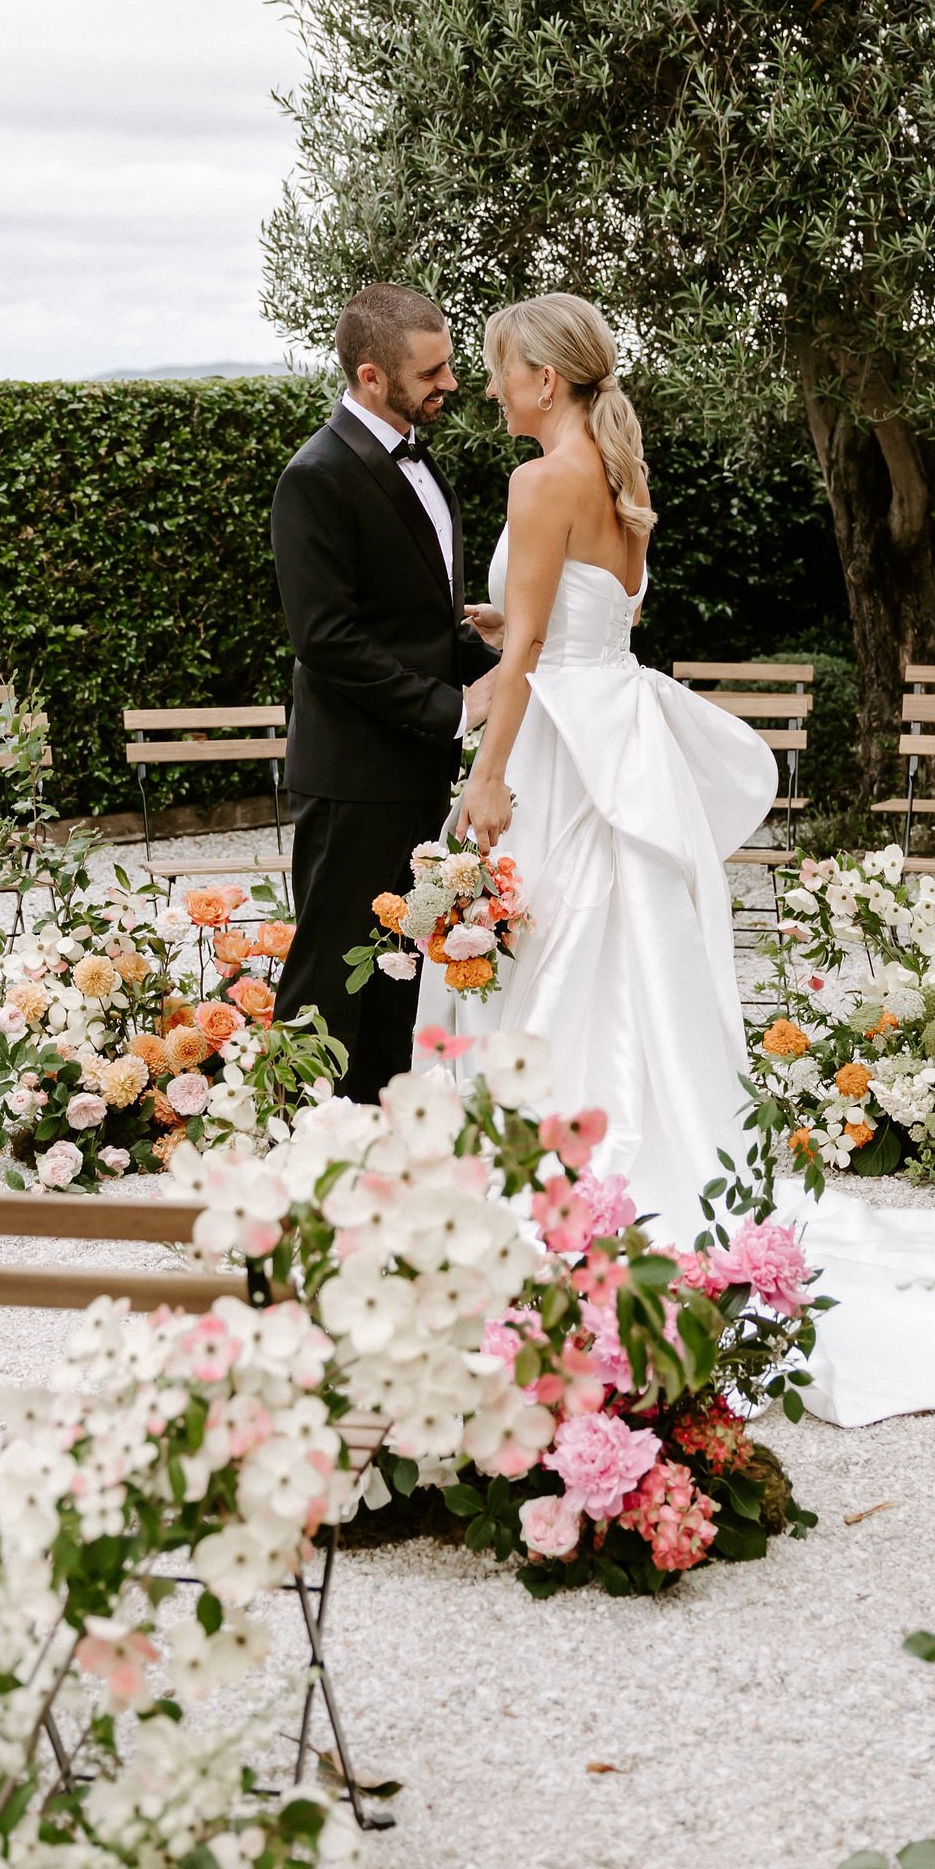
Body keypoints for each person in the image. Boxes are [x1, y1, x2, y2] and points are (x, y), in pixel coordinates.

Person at [419, 292, 776, 1244]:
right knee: (619, 939)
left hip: (559, 744)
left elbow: (532, 651)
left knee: (538, 935)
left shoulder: (540, 482)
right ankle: (644, 1141)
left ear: (544, 378)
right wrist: (519, 625)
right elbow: (603, 618)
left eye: (499, 370)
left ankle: (542, 1165)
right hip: (618, 723)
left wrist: (488, 778)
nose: (489, 389)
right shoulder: (620, 478)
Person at [270, 283, 501, 1099]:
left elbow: (412, 622)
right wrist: (453, 709)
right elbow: (326, 640)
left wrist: (483, 652)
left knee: (401, 972)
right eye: (432, 371)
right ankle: (287, 1143)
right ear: (372, 376)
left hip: (413, 772)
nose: (450, 384)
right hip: (353, 776)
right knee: (332, 975)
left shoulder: (418, 457)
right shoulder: (317, 476)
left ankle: (375, 1134)